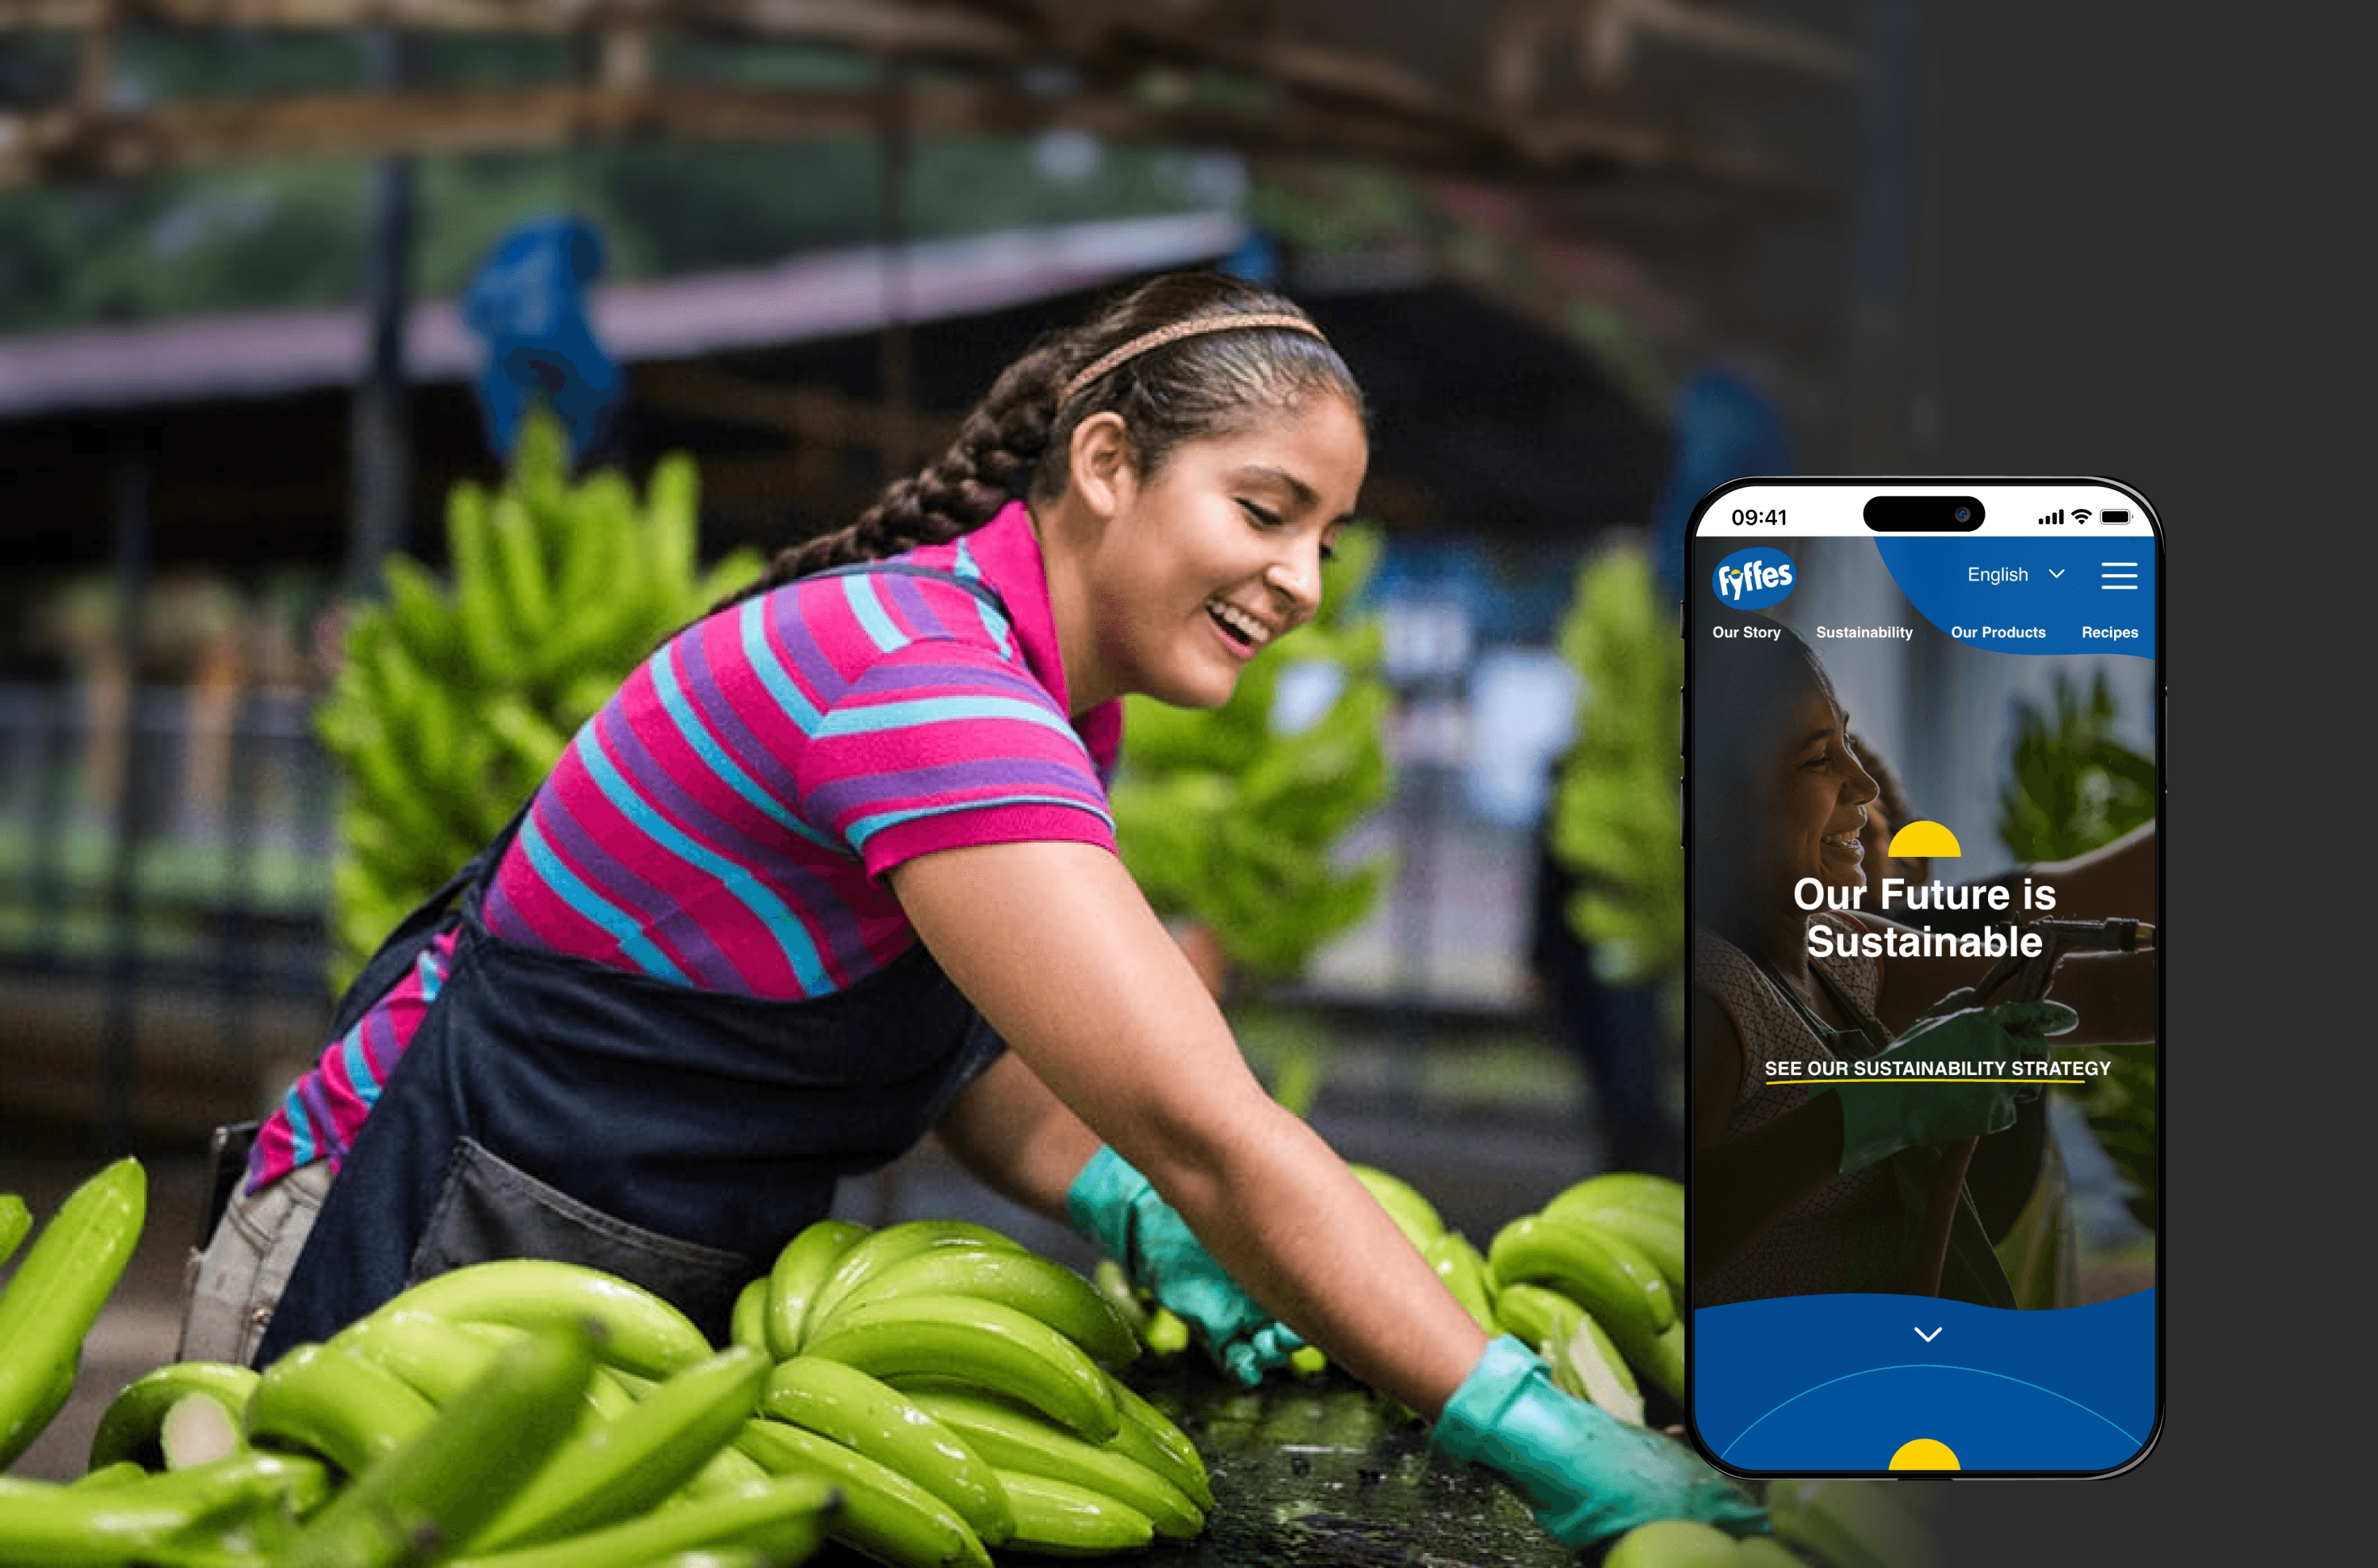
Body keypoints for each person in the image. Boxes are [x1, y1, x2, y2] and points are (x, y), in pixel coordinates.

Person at [181, 273, 1761, 1547]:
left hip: (585, 1293)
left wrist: (1129, 1205)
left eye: (1327, 539)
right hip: (398, 1248)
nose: (1302, 581)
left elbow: (961, 1046)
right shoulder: (925, 688)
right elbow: (1212, 1127)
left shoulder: (1040, 697)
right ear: (1107, 464)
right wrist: (1524, 1422)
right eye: (1265, 509)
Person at [1690, 617, 2154, 1308]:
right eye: (1818, 760)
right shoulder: (1719, 991)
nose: (1863, 788)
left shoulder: (1839, 950)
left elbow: (2108, 998)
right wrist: (1879, 1105)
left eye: (1848, 745)